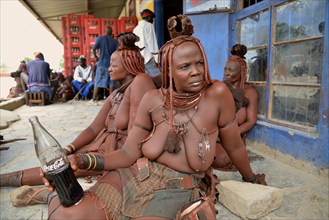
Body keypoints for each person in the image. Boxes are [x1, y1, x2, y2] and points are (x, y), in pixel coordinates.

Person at [42, 15, 266, 220]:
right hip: (132, 176)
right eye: (185, 66)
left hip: (175, 190)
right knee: (68, 215)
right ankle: (53, 197)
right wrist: (82, 161)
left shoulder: (217, 95)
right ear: (168, 70)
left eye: (199, 63)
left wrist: (251, 178)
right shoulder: (153, 100)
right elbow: (128, 153)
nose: (196, 71)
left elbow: (235, 146)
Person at [3, 33, 157, 207]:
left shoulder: (141, 82)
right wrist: (70, 148)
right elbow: (93, 128)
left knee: (66, 168)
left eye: (113, 65)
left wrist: (93, 160)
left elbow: (133, 145)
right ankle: (6, 179)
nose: (108, 69)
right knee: (60, 161)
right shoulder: (116, 93)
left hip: (118, 153)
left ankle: (13, 183)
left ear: (129, 65)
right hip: (102, 145)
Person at [212, 44, 258, 171]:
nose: (226, 73)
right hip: (214, 135)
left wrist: (233, 134)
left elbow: (251, 121)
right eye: (225, 69)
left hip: (234, 136)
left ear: (241, 71)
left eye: (231, 70)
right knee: (204, 155)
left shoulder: (250, 93)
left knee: (222, 160)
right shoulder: (218, 89)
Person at [90, 26, 119, 105]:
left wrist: (96, 57)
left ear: (104, 32)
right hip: (112, 64)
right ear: (111, 33)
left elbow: (93, 48)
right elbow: (118, 51)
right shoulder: (115, 41)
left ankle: (93, 99)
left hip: (102, 63)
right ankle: (111, 100)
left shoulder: (100, 38)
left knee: (98, 81)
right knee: (112, 82)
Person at [133, 8, 161, 77]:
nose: (153, 20)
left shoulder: (136, 28)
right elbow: (152, 43)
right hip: (148, 58)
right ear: (148, 17)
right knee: (159, 78)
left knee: (146, 78)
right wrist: (157, 59)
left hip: (139, 58)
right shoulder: (148, 25)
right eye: (152, 18)